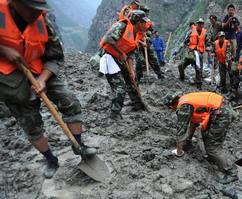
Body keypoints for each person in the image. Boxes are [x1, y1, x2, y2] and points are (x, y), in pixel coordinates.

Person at [0, 0, 97, 178]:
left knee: (70, 101)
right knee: (31, 125)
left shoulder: (42, 21)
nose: (36, 13)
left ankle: (79, 146)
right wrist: (3, 50)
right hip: (10, 80)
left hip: (39, 71)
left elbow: (56, 57)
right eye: (31, 8)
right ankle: (51, 160)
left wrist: (43, 79)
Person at [166, 91, 238, 184]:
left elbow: (181, 131)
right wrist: (189, 140)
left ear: (171, 106)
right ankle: (213, 158)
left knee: (212, 148)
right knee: (205, 134)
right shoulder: (186, 101)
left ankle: (231, 173)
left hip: (221, 114)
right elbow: (193, 123)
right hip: (218, 111)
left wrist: (179, 152)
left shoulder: (183, 107)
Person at [99, 10, 150, 119]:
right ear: (139, 22)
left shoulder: (136, 34)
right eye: (144, 22)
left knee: (132, 80)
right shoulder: (121, 26)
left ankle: (137, 104)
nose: (146, 25)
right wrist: (120, 52)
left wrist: (131, 70)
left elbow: (131, 51)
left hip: (122, 58)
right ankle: (115, 113)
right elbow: (108, 39)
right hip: (110, 58)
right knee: (119, 86)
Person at [135, 5, 164, 80]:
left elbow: (151, 30)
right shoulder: (134, 21)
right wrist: (140, 41)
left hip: (145, 41)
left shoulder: (147, 22)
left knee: (152, 58)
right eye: (145, 11)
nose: (146, 13)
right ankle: (138, 78)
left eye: (147, 12)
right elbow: (132, 35)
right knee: (140, 61)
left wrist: (148, 34)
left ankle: (159, 74)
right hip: (137, 43)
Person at [178, 18, 209, 90]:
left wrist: (207, 48)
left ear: (203, 25)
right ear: (196, 24)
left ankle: (199, 85)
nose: (200, 25)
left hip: (199, 53)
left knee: (199, 70)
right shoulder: (192, 32)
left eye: (201, 24)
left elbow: (207, 43)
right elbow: (186, 41)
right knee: (181, 65)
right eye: (199, 23)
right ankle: (182, 77)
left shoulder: (205, 33)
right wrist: (181, 46)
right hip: (191, 52)